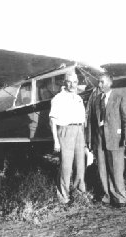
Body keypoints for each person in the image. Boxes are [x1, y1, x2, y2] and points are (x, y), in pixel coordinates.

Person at [86, 74, 126, 208]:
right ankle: (107, 196)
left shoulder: (119, 97)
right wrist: (89, 140)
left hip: (115, 138)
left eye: (101, 82)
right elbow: (90, 122)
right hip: (99, 138)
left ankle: (120, 198)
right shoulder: (95, 100)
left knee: (116, 169)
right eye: (99, 82)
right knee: (102, 168)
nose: (99, 85)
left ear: (110, 83)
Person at [49, 71, 89, 204]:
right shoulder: (58, 98)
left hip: (79, 130)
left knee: (80, 163)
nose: (72, 85)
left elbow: (83, 119)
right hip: (65, 131)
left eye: (75, 82)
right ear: (64, 82)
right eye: (69, 82)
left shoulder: (77, 98)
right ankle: (63, 196)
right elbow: (52, 121)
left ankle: (79, 193)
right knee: (66, 166)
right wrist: (56, 141)